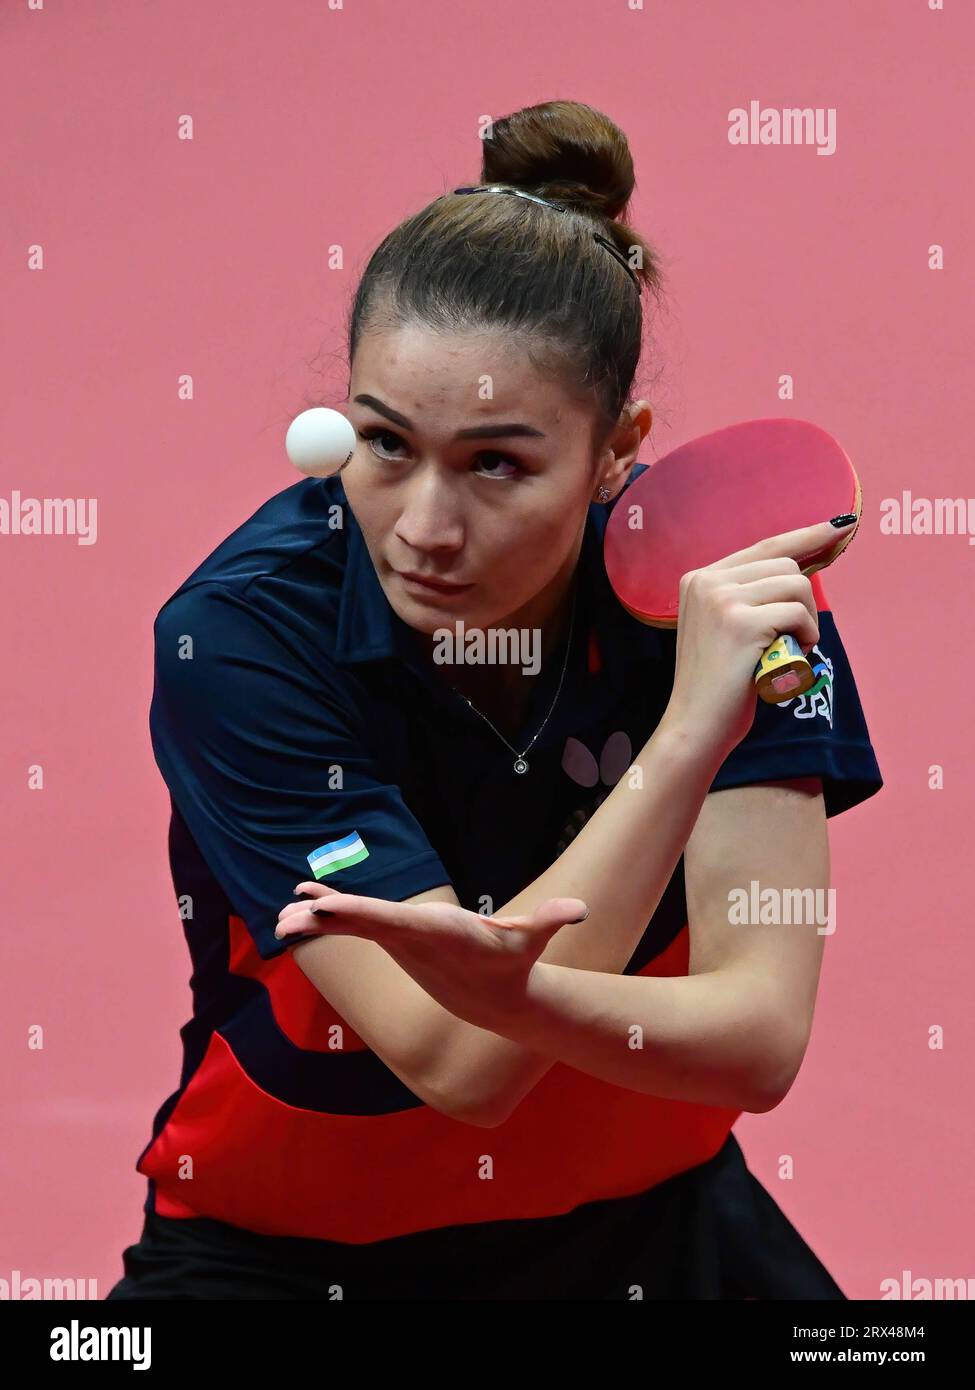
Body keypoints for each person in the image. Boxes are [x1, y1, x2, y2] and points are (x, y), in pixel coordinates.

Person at [106, 100, 883, 1301]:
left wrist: (501, 984)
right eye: (385, 444)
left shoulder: (725, 590)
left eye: (497, 465)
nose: (423, 528)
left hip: (645, 1229)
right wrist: (686, 736)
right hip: (296, 1255)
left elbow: (760, 1037)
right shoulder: (242, 637)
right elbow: (459, 1063)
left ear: (616, 448)